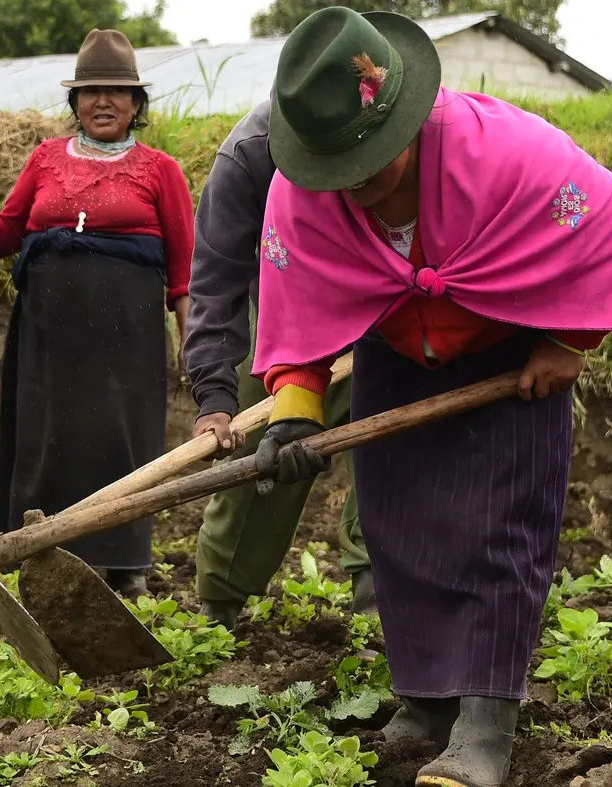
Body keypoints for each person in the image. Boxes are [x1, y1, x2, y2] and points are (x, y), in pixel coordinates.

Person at [251, 8, 612, 787]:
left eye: (372, 168)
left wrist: (570, 342)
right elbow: (297, 298)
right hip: (393, 347)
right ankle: (427, 700)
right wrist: (294, 408)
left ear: (404, 119)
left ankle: (485, 721)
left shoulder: (507, 153)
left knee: (499, 530)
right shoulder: (301, 193)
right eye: (339, 174)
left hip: (510, 348)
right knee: (394, 521)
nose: (357, 190)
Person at [0, 29, 194, 598]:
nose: (103, 102)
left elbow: (183, 269)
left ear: (137, 104)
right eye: (90, 91)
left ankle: (126, 565)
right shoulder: (46, 158)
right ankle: (40, 552)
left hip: (126, 338)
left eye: (118, 92)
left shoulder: (160, 171)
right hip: (48, 334)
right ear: (74, 101)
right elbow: (8, 230)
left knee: (121, 440)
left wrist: (190, 339)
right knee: (46, 436)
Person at [183, 97, 374, 631]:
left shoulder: (399, 130)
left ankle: (380, 606)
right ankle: (221, 607)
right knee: (263, 467)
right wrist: (215, 395)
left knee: (391, 464)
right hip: (285, 333)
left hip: (385, 324)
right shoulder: (249, 156)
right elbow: (215, 280)